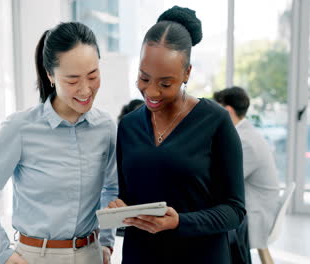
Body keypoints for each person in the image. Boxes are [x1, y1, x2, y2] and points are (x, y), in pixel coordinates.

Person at [0, 22, 118, 264]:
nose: (85, 89)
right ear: (50, 75)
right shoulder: (21, 128)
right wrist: (3, 253)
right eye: (72, 80)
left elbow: (111, 188)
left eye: (93, 75)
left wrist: (107, 243)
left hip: (91, 253)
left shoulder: (106, 127)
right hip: (36, 257)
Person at [108, 6, 246, 263]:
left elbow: (235, 210)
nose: (151, 92)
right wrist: (120, 210)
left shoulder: (215, 121)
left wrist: (180, 222)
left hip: (200, 256)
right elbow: (128, 197)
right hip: (141, 256)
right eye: (143, 77)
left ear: (187, 73)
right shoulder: (128, 126)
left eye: (165, 83)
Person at [213, 86, 281, 264]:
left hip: (257, 214)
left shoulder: (244, 141)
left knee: (211, 224)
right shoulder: (245, 133)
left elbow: (226, 181)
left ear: (227, 110)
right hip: (259, 206)